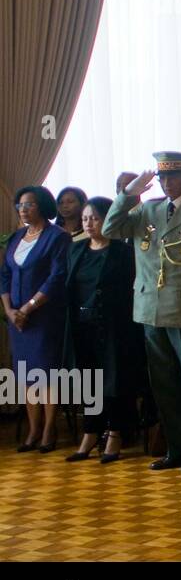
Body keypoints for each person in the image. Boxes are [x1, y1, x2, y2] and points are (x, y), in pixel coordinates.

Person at [103, 152, 181, 472]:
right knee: (164, 386)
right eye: (161, 178)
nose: (166, 183)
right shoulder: (148, 208)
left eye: (172, 177)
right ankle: (176, 448)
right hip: (149, 309)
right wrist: (129, 194)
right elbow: (111, 228)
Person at [64, 197, 142, 464]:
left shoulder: (123, 251)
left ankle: (116, 433)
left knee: (115, 381)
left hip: (115, 326)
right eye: (85, 219)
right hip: (82, 326)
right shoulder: (77, 250)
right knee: (89, 381)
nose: (89, 224)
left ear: (108, 219)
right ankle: (90, 432)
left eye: (95, 218)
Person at [2, 186, 71, 452]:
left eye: (28, 204)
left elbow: (56, 278)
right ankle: (33, 429)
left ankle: (49, 429)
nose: (23, 209)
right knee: (26, 376)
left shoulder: (57, 237)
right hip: (17, 320)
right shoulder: (16, 237)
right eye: (19, 205)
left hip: (44, 318)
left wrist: (28, 308)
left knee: (46, 374)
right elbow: (5, 274)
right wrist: (9, 310)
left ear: (41, 205)